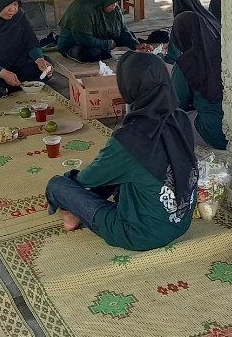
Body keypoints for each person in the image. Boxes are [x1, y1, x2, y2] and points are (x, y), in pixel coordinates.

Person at [45, 51, 198, 251]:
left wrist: (71, 190)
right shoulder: (180, 117)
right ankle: (80, 208)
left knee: (57, 185)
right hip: (180, 222)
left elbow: (88, 178)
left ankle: (73, 213)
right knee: (123, 172)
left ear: (129, 87)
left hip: (138, 234)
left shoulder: (130, 138)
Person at [171, 11, 227, 150]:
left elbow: (177, 103)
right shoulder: (224, 50)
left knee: (170, 121)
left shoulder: (185, 63)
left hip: (213, 132)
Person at [58, 0, 152, 62]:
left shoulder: (112, 4)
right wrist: (107, 44)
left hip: (103, 37)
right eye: (112, 3)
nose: (115, 5)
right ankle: (109, 51)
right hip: (77, 43)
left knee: (130, 36)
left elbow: (123, 29)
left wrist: (136, 44)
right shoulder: (82, 8)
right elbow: (84, 39)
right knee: (93, 53)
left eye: (116, 2)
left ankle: (111, 50)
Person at [164, 0, 215, 64]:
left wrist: (157, 56)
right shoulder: (207, 15)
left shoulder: (181, 21)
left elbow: (173, 58)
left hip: (198, 69)